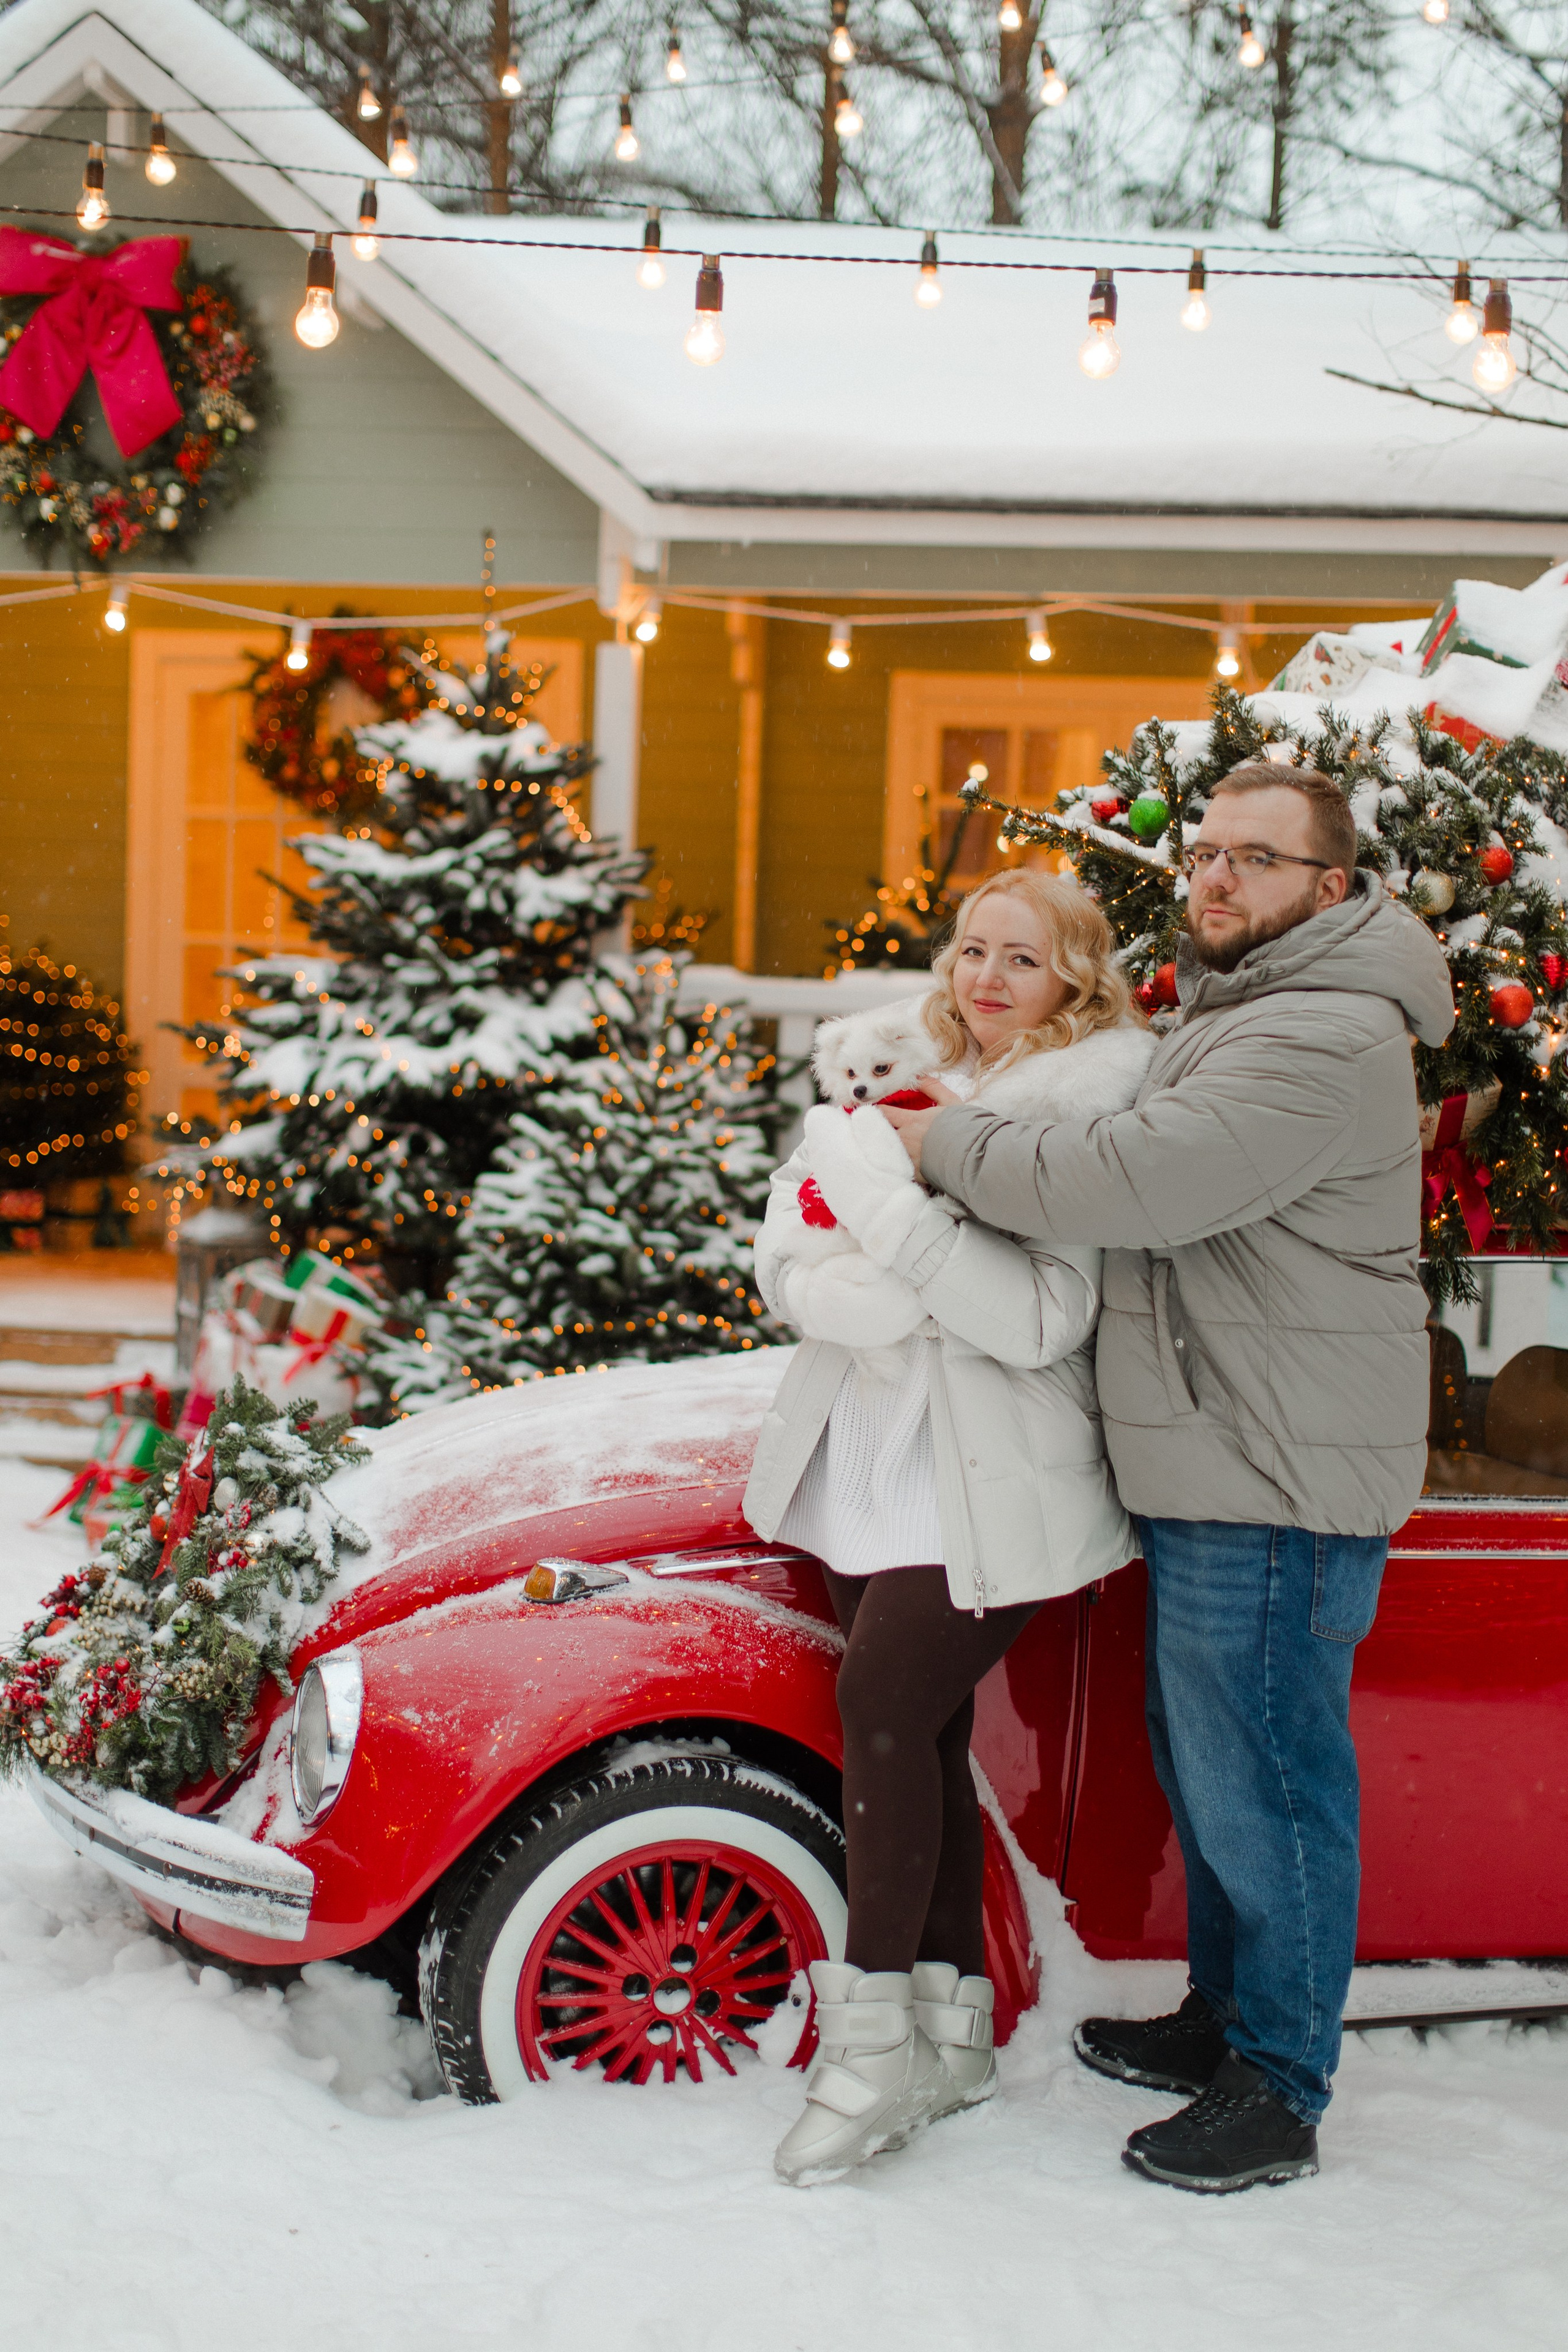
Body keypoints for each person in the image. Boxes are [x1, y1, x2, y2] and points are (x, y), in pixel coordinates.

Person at [880, 763, 1455, 2195]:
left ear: (1328, 889)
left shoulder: (1320, 1031)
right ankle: (1226, 2017)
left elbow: (1130, 1178)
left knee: (1265, 1779)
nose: (1208, 878)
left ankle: (1278, 2082)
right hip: (1219, 1454)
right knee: (1214, 1773)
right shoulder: (1243, 1007)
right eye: (1201, 853)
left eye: (1249, 861)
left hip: (1272, 1463)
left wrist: (939, 1144)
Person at [745, 869, 1155, 2185]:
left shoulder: (1076, 1118)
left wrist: (874, 1219)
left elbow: (1040, 1321)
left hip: (987, 1478)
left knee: (876, 1708)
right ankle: (950, 2032)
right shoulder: (913, 1087)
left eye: (1019, 960)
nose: (983, 978)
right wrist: (835, 1273)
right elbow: (780, 1255)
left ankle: (868, 2050)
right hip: (871, 1453)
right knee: (917, 1728)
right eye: (972, 950)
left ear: (1073, 979)